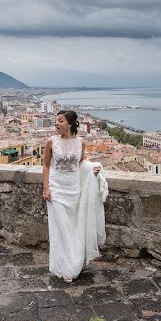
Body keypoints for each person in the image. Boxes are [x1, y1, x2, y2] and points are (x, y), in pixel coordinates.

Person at [43, 110, 107, 283]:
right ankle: (66, 267)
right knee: (61, 228)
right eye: (56, 121)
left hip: (74, 188)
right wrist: (46, 188)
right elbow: (47, 166)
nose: (56, 124)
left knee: (73, 227)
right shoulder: (51, 141)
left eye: (60, 121)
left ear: (70, 123)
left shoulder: (81, 142)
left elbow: (81, 163)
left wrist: (92, 167)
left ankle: (73, 262)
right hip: (57, 188)